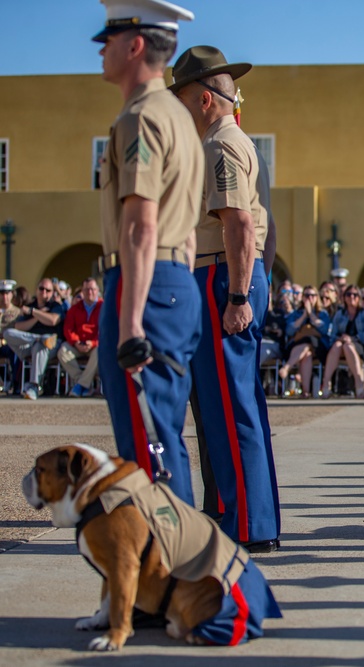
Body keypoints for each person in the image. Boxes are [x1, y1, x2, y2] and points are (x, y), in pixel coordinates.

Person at [93, 0, 204, 505]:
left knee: (146, 449)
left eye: (109, 40)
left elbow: (140, 224)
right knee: (161, 439)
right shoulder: (179, 118)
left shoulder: (140, 118)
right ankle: (178, 566)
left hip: (144, 282)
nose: (102, 51)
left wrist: (131, 320)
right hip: (174, 279)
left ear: (135, 45)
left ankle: (172, 569)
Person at [170, 45, 280, 552]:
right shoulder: (227, 142)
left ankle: (250, 525)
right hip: (221, 276)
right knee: (219, 407)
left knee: (232, 408)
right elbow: (264, 223)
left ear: (207, 100)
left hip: (221, 278)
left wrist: (239, 293)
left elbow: (238, 224)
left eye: (184, 98)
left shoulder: (219, 146)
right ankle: (233, 513)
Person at [6, 278, 66, 400]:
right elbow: (18, 326)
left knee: (40, 346)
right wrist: (37, 316)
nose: (44, 292)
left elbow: (53, 320)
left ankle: (34, 386)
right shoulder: (29, 307)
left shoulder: (56, 306)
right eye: (41, 288)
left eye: (48, 290)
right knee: (8, 333)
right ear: (37, 290)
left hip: (51, 346)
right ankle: (38, 338)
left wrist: (34, 312)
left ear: (52, 292)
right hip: (29, 342)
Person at [319, 284, 364, 398]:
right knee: (337, 345)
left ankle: (358, 383)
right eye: (348, 294)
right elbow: (332, 333)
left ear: (359, 297)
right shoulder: (340, 314)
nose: (352, 297)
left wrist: (352, 338)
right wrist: (340, 338)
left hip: (361, 345)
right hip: (341, 345)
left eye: (355, 295)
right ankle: (326, 384)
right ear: (344, 297)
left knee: (348, 346)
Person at [58, 277, 103, 397]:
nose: (90, 292)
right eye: (87, 289)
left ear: (98, 290)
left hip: (94, 345)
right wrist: (76, 342)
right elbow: (68, 329)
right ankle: (83, 383)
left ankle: (81, 385)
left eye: (93, 289)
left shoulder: (104, 307)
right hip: (78, 344)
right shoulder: (74, 309)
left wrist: (93, 343)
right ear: (82, 291)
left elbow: (106, 330)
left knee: (100, 350)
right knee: (63, 350)